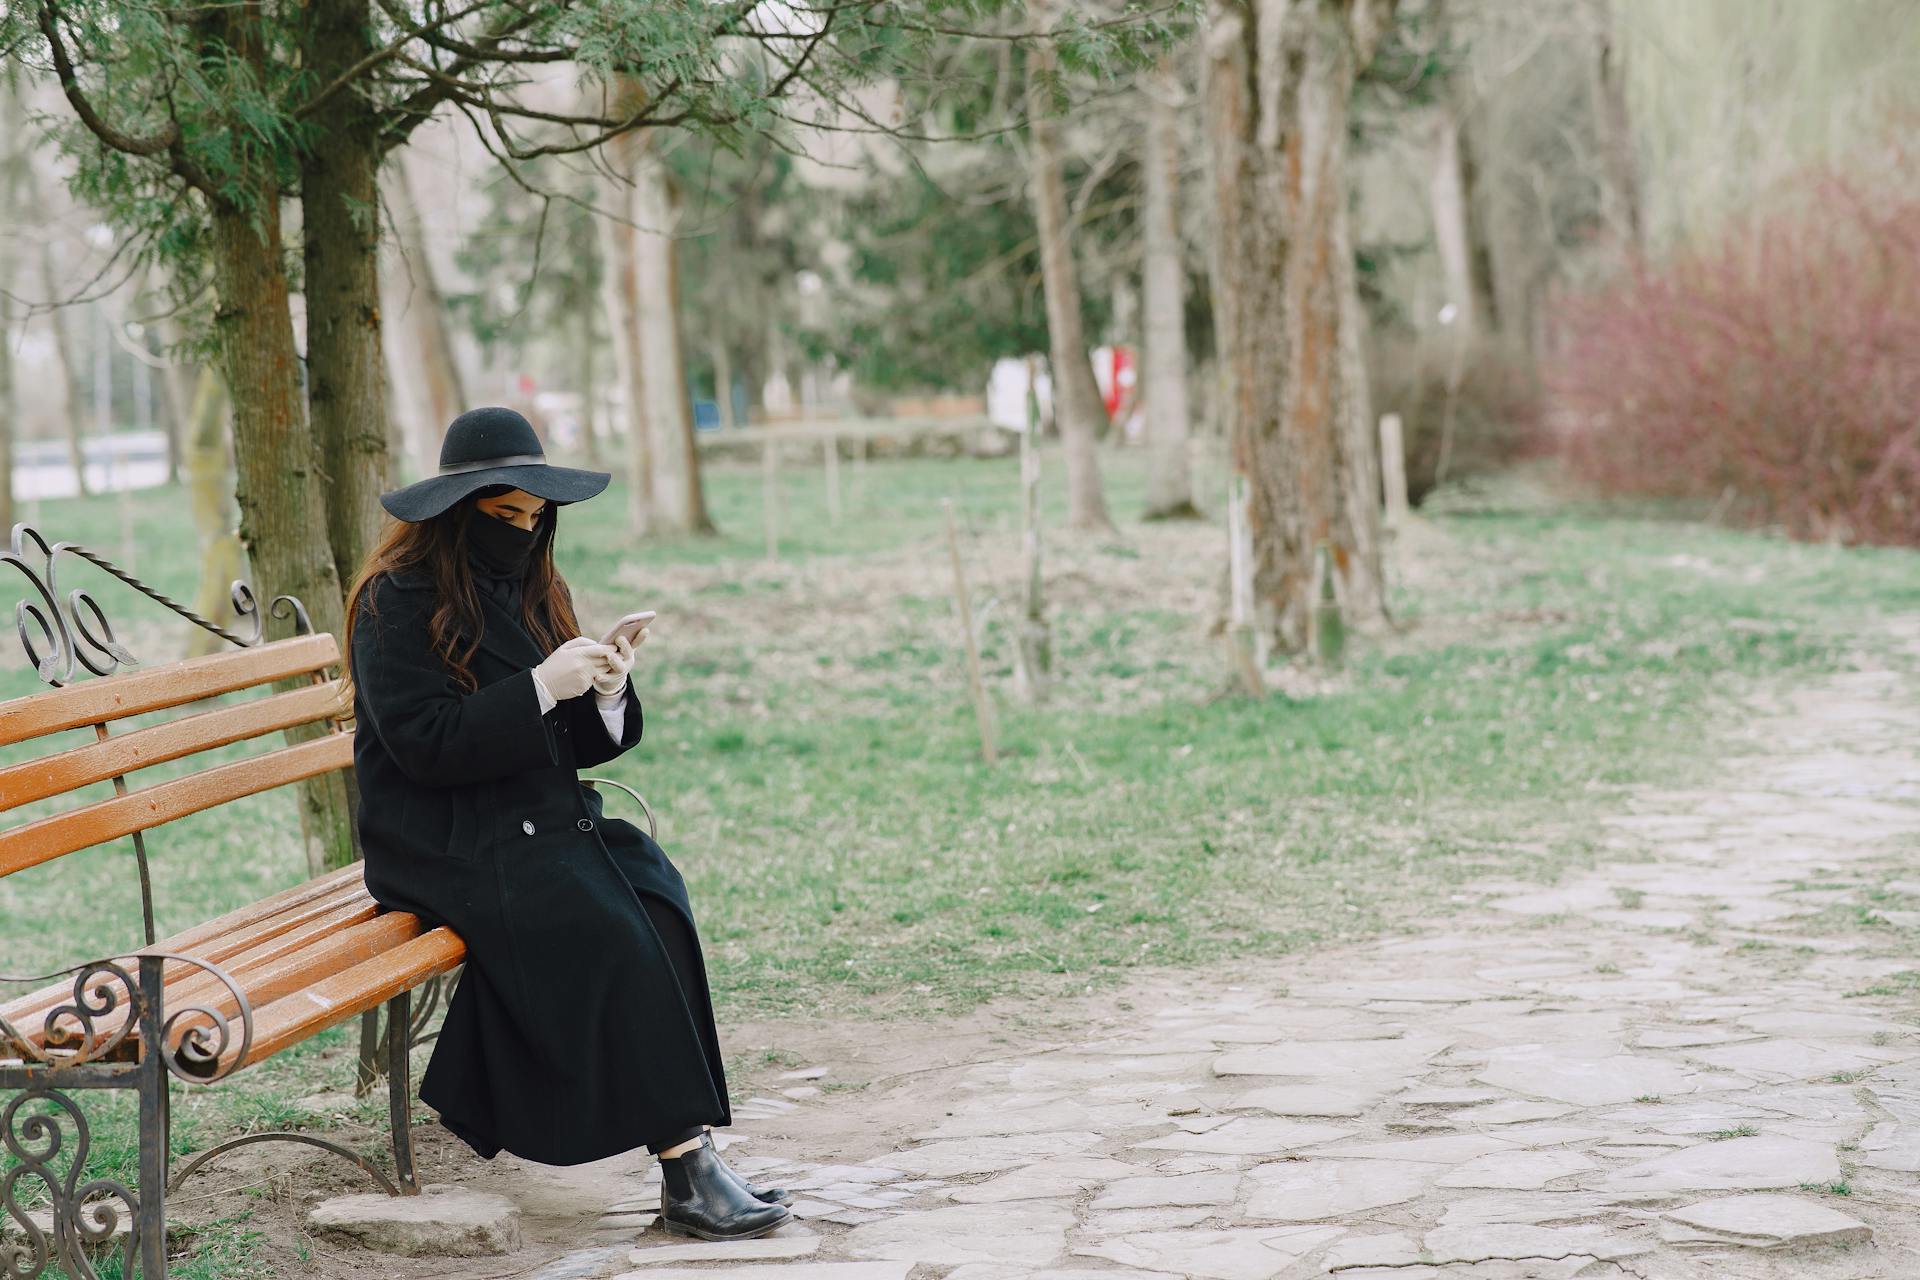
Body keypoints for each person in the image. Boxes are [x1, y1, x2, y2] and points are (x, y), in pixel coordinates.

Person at [344, 407, 789, 1242]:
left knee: (655, 894)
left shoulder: (533, 589)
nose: (525, 530)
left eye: (535, 514)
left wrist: (609, 689)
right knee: (605, 922)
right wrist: (541, 687)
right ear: (455, 511)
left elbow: (570, 746)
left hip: (531, 819)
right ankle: (687, 1165)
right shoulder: (392, 603)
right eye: (504, 514)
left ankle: (693, 1155)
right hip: (435, 837)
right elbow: (425, 746)